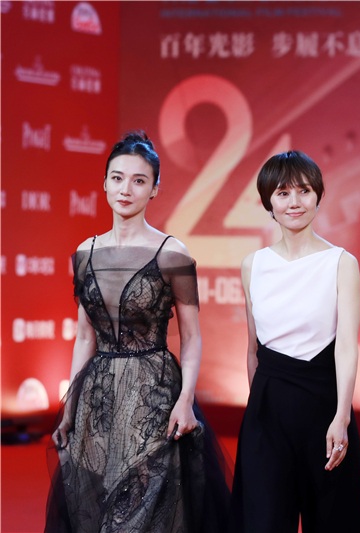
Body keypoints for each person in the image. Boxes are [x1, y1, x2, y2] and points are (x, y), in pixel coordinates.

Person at [45, 132, 230, 532]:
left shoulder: (172, 253)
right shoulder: (85, 253)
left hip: (153, 397)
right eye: (117, 178)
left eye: (138, 180)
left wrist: (185, 401)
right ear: (104, 183)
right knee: (95, 513)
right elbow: (85, 337)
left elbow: (192, 337)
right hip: (98, 400)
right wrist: (70, 408)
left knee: (144, 515)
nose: (125, 189)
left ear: (154, 189)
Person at [228, 151, 360, 532]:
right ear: (268, 202)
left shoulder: (341, 262)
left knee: (333, 520)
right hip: (267, 412)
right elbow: (253, 348)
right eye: (283, 193)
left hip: (325, 407)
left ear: (318, 196)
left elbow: (347, 347)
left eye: (304, 191)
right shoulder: (253, 265)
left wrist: (342, 416)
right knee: (263, 520)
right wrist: (257, 411)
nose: (295, 202)